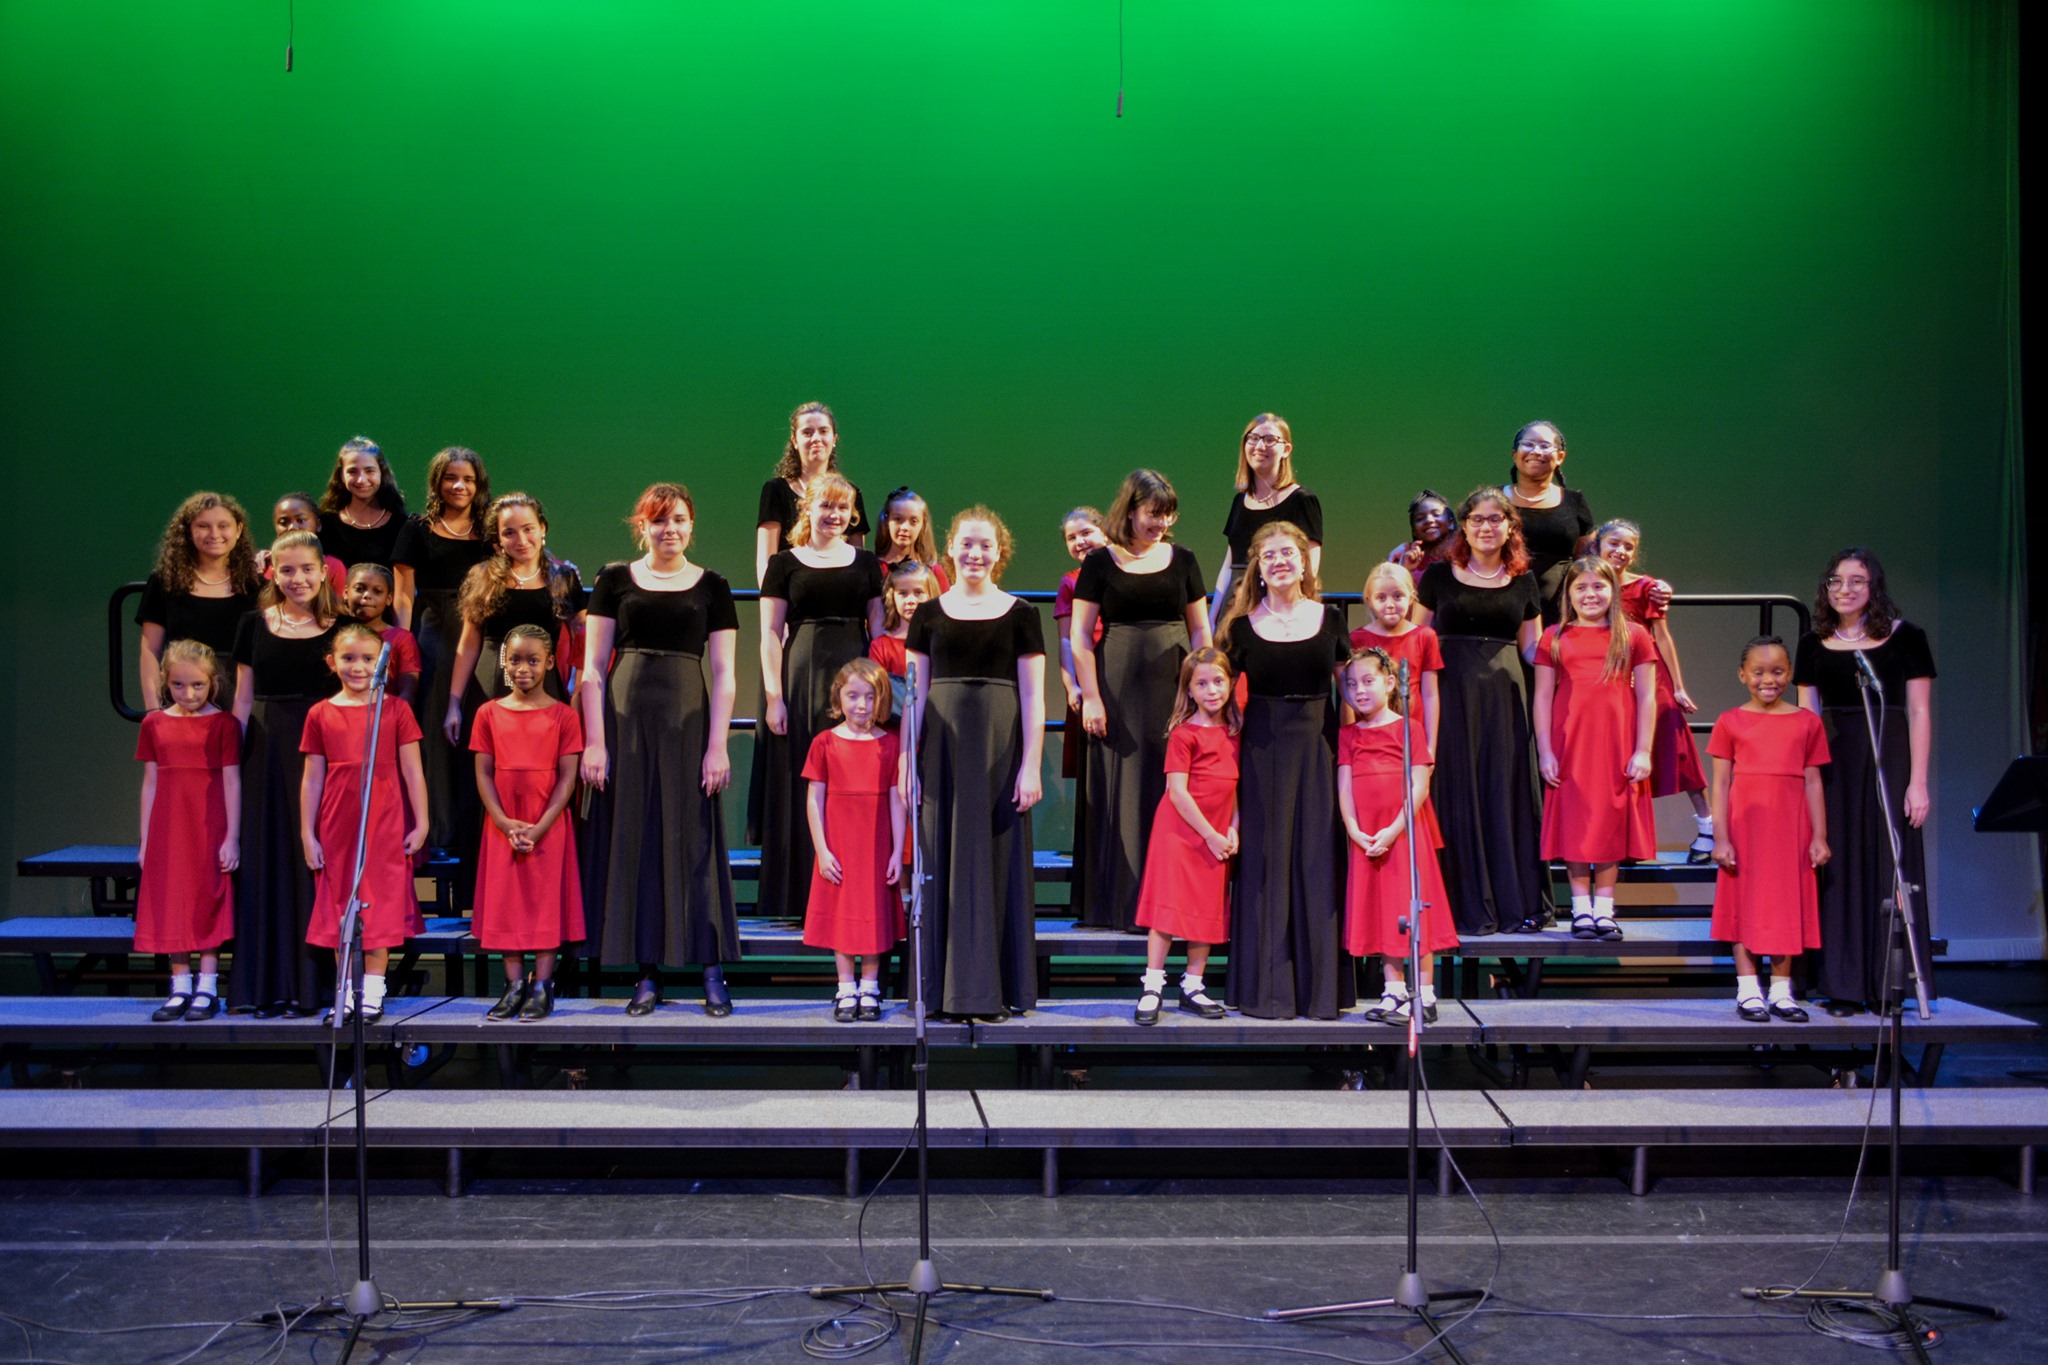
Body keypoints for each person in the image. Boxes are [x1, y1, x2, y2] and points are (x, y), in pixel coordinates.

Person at [578, 483, 742, 1018]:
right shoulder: (614, 580)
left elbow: (724, 673)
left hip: (687, 720)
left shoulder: (713, 586)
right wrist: (595, 742)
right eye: (659, 520)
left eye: (678, 519)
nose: (669, 529)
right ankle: (646, 973)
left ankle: (710, 969)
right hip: (624, 722)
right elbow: (592, 669)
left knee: (694, 838)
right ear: (642, 526)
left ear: (692, 525)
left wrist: (717, 746)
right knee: (637, 837)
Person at [904, 507, 1046, 1020]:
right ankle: (941, 992)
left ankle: (992, 991)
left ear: (1000, 552)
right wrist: (906, 763)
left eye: (985, 545)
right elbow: (912, 698)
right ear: (950, 548)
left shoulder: (1021, 614)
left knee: (996, 861)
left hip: (999, 751)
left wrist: (1032, 765)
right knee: (940, 861)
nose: (975, 553)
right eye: (966, 543)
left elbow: (1034, 698)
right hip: (942, 754)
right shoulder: (928, 614)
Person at [1794, 547, 1937, 1016]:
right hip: (1835, 760)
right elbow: (1807, 717)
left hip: (1888, 756)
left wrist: (1918, 782)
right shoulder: (1813, 644)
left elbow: (1919, 711)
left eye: (1857, 581)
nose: (1845, 589)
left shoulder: (1906, 637)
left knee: (1889, 864)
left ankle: (1888, 985)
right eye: (1836, 581)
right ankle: (1841, 983)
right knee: (1839, 866)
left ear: (1874, 587)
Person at [1220, 521, 1352, 1020]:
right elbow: (1219, 693)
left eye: (1287, 553)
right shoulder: (1240, 626)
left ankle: (1319, 992)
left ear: (1304, 562)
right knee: (1266, 863)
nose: (1279, 561)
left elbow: (1351, 691)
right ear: (1258, 566)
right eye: (1269, 555)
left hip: (1320, 748)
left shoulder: (1330, 618)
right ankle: (1266, 991)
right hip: (1262, 752)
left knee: (1317, 860)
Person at [1070, 470, 1211, 932]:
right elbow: (1079, 637)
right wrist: (1092, 697)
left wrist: (1202, 690)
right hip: (1116, 688)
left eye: (1168, 514)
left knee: (1168, 783)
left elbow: (1200, 630)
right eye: (1153, 513)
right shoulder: (1100, 562)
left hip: (1172, 684)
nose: (1161, 522)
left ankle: (1171, 903)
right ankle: (1120, 903)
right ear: (1130, 510)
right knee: (1123, 787)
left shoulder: (1184, 559)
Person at [1414, 488, 1547, 935]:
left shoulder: (1524, 580)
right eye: (1477, 519)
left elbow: (1532, 648)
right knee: (1456, 788)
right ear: (1464, 527)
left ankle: (1512, 899)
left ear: (1510, 527)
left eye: (1495, 519)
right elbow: (1415, 639)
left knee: (1502, 789)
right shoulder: (1438, 576)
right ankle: (1457, 903)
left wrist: (1580, 657)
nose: (1486, 527)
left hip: (1504, 700)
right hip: (1451, 693)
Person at [757, 473, 886, 924]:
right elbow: (770, 634)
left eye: (842, 508)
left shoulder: (866, 563)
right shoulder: (784, 564)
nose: (834, 515)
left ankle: (853, 891)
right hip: (802, 677)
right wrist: (774, 697)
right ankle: (797, 898)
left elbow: (878, 631)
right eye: (826, 506)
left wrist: (878, 692)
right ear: (807, 508)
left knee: (852, 778)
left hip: (854, 671)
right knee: (805, 779)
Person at [229, 531, 342, 1016]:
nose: (298, 579)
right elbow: (242, 699)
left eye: (306, 569)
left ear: (323, 573)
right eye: (287, 570)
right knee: (269, 860)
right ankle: (269, 987)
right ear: (272, 573)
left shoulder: (343, 628)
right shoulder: (253, 624)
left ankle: (316, 986)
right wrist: (231, 756)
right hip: (269, 750)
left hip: (325, 751)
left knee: (313, 860)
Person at [299, 623, 429, 1024]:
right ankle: (345, 992)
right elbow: (312, 778)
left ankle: (372, 993)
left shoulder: (396, 710)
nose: (358, 667)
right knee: (341, 904)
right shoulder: (320, 713)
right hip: (338, 823)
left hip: (384, 822)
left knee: (379, 904)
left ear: (384, 665)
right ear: (331, 662)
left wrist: (422, 823)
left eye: (369, 659)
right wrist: (307, 833)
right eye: (349, 658)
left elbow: (413, 771)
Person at [1535, 557, 1658, 941]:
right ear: (1569, 594)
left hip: (1615, 743)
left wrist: (1643, 749)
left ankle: (1604, 910)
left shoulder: (1633, 635)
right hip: (1570, 743)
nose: (1590, 594)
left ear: (1613, 590)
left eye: (1598, 586)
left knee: (1608, 822)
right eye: (1581, 587)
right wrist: (1545, 751)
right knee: (1576, 824)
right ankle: (1580, 910)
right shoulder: (1555, 636)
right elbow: (1542, 697)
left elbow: (1648, 696)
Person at [1710, 636, 1831, 1023]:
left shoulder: (1807, 722)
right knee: (1743, 904)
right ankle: (1748, 990)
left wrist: (1819, 836)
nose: (1768, 679)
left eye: (1778, 671)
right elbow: (1721, 784)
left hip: (1790, 828)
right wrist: (1721, 837)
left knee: (1785, 905)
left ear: (1790, 673)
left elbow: (1813, 781)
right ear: (1742, 675)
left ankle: (1781, 991)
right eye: (1758, 672)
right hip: (1746, 828)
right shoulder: (1730, 721)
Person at [472, 624, 585, 1023]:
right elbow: (483, 772)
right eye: (516, 660)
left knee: (543, 901)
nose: (523, 668)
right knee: (509, 902)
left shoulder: (564, 716)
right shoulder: (488, 713)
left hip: (547, 823)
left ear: (550, 662)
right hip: (503, 821)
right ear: (505, 663)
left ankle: (542, 986)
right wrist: (503, 822)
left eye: (533, 660)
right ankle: (513, 985)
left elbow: (568, 778)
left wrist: (538, 828)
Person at [1338, 647, 1455, 1025]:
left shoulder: (1409, 729)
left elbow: (1419, 784)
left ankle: (1424, 994)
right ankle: (1394, 990)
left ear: (1390, 683)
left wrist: (1392, 830)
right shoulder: (1348, 734)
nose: (1359, 690)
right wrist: (1354, 830)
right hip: (1368, 837)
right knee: (1384, 911)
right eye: (1351, 684)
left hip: (1403, 834)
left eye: (1367, 681)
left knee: (1411, 909)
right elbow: (1344, 787)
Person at [392, 447, 493, 860]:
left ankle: (477, 830)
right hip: (433, 629)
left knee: (477, 723)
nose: (459, 486)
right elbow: (402, 594)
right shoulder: (417, 529)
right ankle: (440, 832)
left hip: (480, 629)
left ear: (479, 484)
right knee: (435, 727)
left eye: (468, 479)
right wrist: (401, 644)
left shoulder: (490, 530)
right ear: (437, 482)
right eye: (451, 478)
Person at [1131, 647, 1239, 1026]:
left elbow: (1234, 789)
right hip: (1181, 833)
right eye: (1202, 683)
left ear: (1230, 683)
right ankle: (1153, 986)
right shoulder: (1183, 734)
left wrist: (1232, 828)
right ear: (1189, 690)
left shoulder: (1235, 733)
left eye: (1218, 681)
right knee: (1168, 908)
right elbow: (1177, 792)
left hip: (1216, 833)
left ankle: (1193, 984)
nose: (1212, 690)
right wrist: (1209, 835)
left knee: (1205, 907)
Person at [1597, 519, 1715, 863]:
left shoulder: (1646, 587)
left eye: (1628, 547)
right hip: (1609, 679)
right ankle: (1624, 836)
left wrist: (1678, 686)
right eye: (1613, 543)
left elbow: (1662, 637)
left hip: (1649, 675)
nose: (1620, 551)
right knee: (1618, 756)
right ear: (1598, 544)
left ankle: (1707, 828)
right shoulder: (1589, 582)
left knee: (1678, 750)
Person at [135, 640, 241, 1022]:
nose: (189, 693)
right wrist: (145, 839)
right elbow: (150, 782)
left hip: (209, 824)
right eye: (179, 685)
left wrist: (232, 837)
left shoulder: (224, 724)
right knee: (173, 900)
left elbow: (232, 781)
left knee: (207, 898)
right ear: (166, 682)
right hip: (169, 826)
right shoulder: (154, 723)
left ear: (213, 683)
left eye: (198, 685)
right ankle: (179, 986)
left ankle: (207, 987)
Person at [804, 658, 907, 1022]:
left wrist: (897, 851)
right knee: (843, 916)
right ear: (839, 697)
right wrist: (822, 850)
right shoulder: (824, 743)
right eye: (853, 696)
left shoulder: (891, 745)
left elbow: (897, 802)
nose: (861, 705)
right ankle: (845, 988)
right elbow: (814, 800)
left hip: (875, 845)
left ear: (881, 700)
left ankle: (870, 987)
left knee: (872, 914)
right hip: (839, 844)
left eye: (870, 696)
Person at [444, 493, 586, 756]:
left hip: (544, 683)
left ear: (542, 528)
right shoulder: (483, 576)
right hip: (491, 682)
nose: (521, 540)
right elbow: (469, 643)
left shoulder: (564, 577)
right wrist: (454, 703)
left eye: (528, 529)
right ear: (498, 539)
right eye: (509, 533)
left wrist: (578, 692)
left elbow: (584, 638)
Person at [138, 492, 262, 714]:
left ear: (238, 530)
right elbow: (150, 650)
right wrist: (153, 711)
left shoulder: (255, 583)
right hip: (181, 700)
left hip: (240, 700)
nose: (214, 534)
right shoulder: (165, 581)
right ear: (188, 531)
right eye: (203, 526)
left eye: (223, 526)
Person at [1208, 414, 1325, 631]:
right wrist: (1213, 618)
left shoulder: (1302, 500)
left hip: (1278, 604)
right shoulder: (1239, 501)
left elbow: (1310, 566)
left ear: (1286, 449)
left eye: (1270, 439)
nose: (1260, 446)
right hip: (1235, 605)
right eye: (1253, 438)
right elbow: (1229, 565)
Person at [1503, 421, 1594, 625]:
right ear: (1515, 454)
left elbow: (1588, 561)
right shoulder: (1493, 500)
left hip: (1559, 612)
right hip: (1500, 606)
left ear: (1560, 457)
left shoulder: (1575, 502)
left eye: (1544, 446)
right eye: (1528, 444)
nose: (1536, 451)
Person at [1348, 563, 1443, 756]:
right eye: (1381, 597)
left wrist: (1430, 747)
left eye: (1398, 596)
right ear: (1369, 601)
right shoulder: (1357, 639)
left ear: (1411, 598)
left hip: (1412, 738)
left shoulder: (1424, 636)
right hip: (1369, 740)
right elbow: (1350, 697)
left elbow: (1430, 694)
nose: (1390, 604)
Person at [1052, 507, 1108, 811]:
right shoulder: (1070, 582)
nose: (1080, 542)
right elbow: (1065, 638)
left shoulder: (1121, 569)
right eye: (1071, 538)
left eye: (1086, 532)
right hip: (1088, 675)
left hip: (1117, 668)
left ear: (1105, 532)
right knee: (1093, 764)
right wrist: (1070, 684)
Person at [316, 436, 407, 572]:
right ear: (341, 476)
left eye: (369, 471)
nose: (361, 479)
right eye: (352, 471)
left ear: (382, 473)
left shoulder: (403, 525)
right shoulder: (325, 525)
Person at [869, 559, 938, 725]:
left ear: (931, 595)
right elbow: (877, 693)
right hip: (892, 728)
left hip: (934, 724)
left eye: (918, 592)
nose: (911, 600)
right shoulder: (881, 646)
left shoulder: (938, 643)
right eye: (903, 593)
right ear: (892, 597)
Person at [343, 564, 422, 707]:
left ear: (389, 599)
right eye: (359, 589)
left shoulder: (401, 638)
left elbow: (407, 692)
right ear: (346, 593)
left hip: (383, 714)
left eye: (377, 591)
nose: (367, 595)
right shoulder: (337, 634)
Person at [264, 492, 348, 595]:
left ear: (318, 524)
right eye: (283, 523)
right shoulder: (264, 565)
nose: (292, 527)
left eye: (300, 521)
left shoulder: (334, 566)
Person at [874, 486, 951, 590]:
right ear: (887, 521)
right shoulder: (873, 568)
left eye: (913, 521)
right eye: (898, 519)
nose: (905, 527)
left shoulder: (934, 571)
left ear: (923, 525)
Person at [1387, 489, 1456, 580]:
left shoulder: (1466, 553)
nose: (1429, 520)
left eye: (1436, 514)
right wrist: (1403, 570)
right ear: (1414, 531)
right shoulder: (1405, 560)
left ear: (1451, 523)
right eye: (1420, 518)